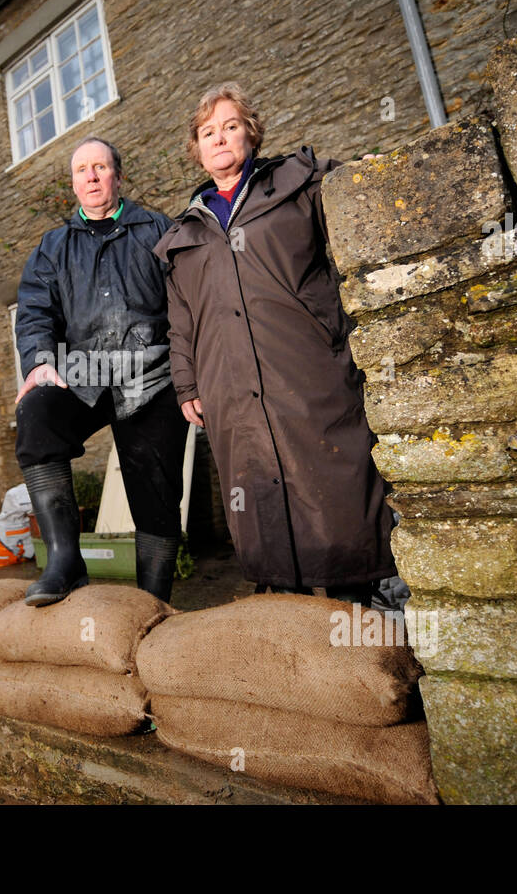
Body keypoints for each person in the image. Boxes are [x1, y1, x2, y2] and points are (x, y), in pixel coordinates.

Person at [153, 82, 402, 606]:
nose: (219, 138)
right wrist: (186, 384)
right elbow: (180, 320)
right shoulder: (184, 236)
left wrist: (374, 174)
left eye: (230, 126)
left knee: (328, 482)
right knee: (256, 489)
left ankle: (355, 603)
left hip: (306, 369)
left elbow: (357, 187)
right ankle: (286, 612)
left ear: (251, 133)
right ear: (196, 151)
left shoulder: (297, 184)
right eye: (207, 132)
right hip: (229, 387)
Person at [14, 137, 186, 606]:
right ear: (73, 183)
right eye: (81, 170)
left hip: (152, 375)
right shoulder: (53, 246)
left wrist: (191, 376)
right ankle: (66, 562)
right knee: (37, 414)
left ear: (117, 176)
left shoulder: (157, 229)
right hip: (82, 373)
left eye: (100, 168)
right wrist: (40, 362)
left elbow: (188, 305)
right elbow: (34, 311)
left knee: (157, 484)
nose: (90, 177)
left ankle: (154, 600)